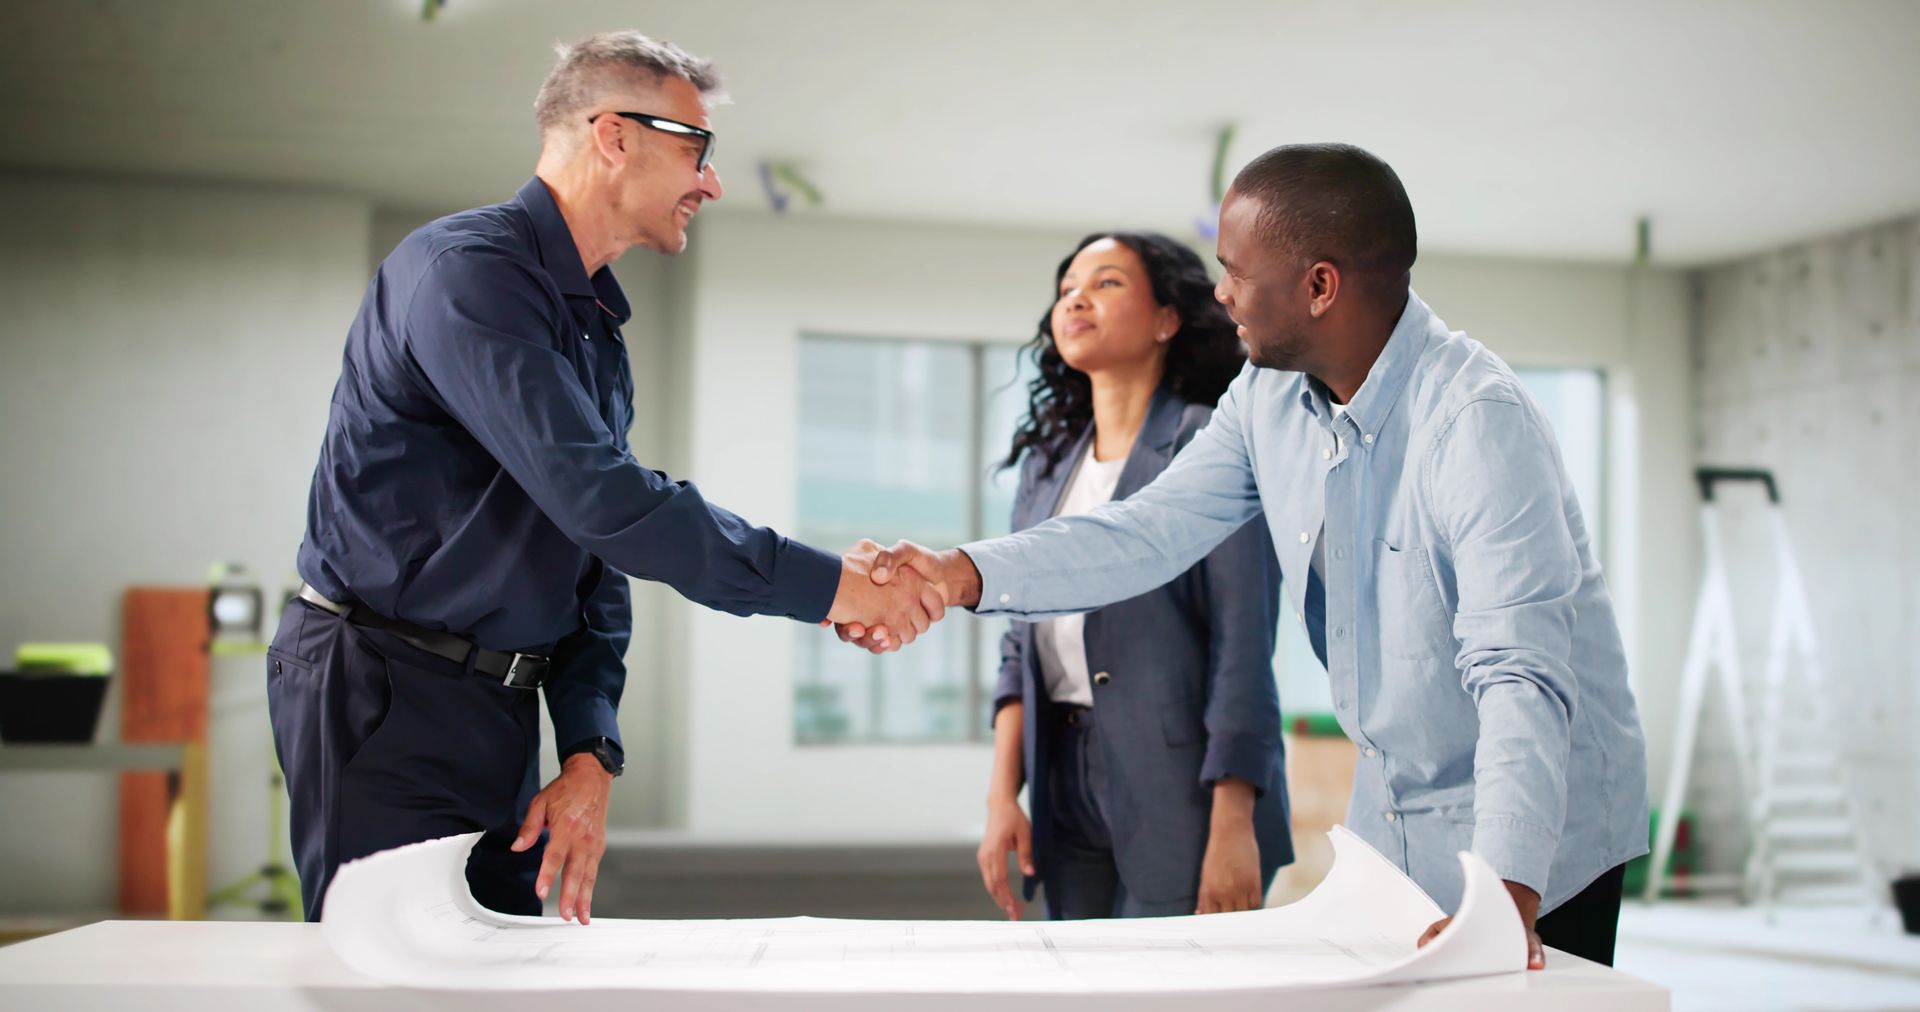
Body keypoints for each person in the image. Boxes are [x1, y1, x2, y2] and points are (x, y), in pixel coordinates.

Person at [844, 143, 1650, 968]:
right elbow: (1147, 530)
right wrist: (958, 574)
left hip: (1539, 835)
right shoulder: (1268, 395)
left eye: (1236, 270)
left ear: (1320, 286)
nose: (1219, 290)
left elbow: (1521, 676)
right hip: (1400, 813)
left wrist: (1508, 900)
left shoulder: (1475, 421)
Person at [269, 31, 943, 925]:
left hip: (497, 705)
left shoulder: (592, 329)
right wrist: (834, 589)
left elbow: (592, 556)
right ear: (615, 135)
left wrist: (590, 752)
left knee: (498, 969)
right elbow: (607, 502)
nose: (711, 182)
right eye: (696, 150)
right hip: (385, 689)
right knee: (395, 968)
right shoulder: (468, 276)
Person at [978, 232, 1292, 922]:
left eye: (1108, 283)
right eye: (1066, 290)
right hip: (1061, 776)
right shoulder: (1046, 465)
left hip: (1184, 786)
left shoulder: (1206, 447)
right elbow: (1015, 646)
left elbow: (1244, 649)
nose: (1077, 299)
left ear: (1166, 319)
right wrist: (1005, 795)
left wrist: (1233, 823)